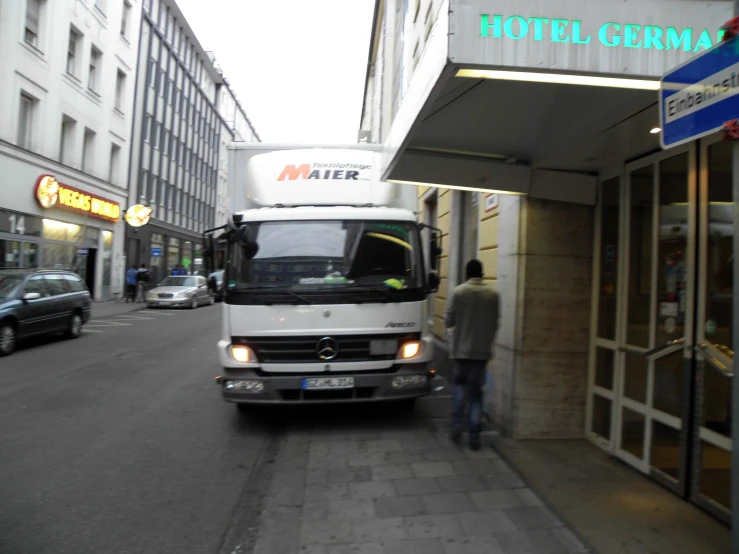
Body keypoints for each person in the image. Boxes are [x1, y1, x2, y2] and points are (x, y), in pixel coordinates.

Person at [444, 259, 500, 451]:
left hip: (461, 351)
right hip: (482, 351)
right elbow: (495, 322)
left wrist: (457, 330)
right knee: (476, 394)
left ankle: (457, 425)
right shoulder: (493, 294)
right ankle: (474, 437)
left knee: (460, 387)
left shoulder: (458, 292)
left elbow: (448, 319)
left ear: (467, 273)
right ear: (482, 273)